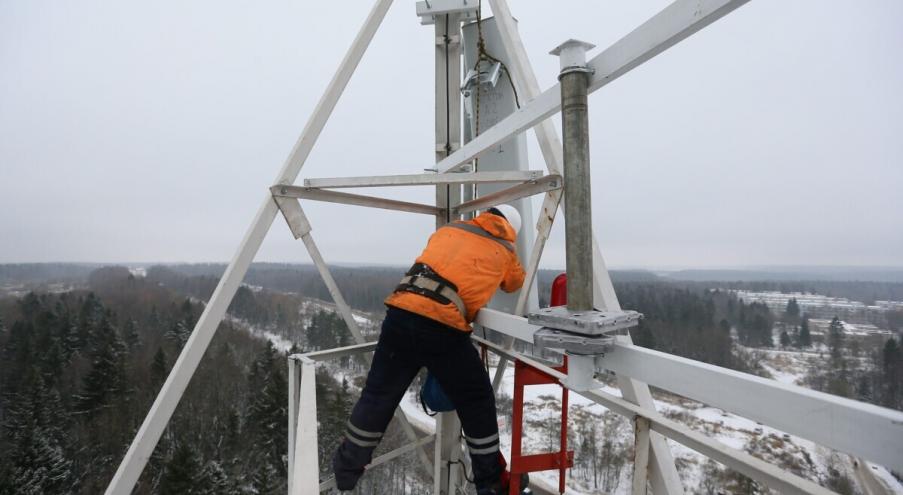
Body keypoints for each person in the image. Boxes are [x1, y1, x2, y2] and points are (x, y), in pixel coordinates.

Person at [332, 205, 526, 494]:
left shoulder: (449, 229)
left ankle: (346, 469)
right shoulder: (505, 248)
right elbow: (514, 283)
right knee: (476, 400)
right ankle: (490, 483)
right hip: (442, 326)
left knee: (377, 395)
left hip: (400, 313)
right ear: (511, 229)